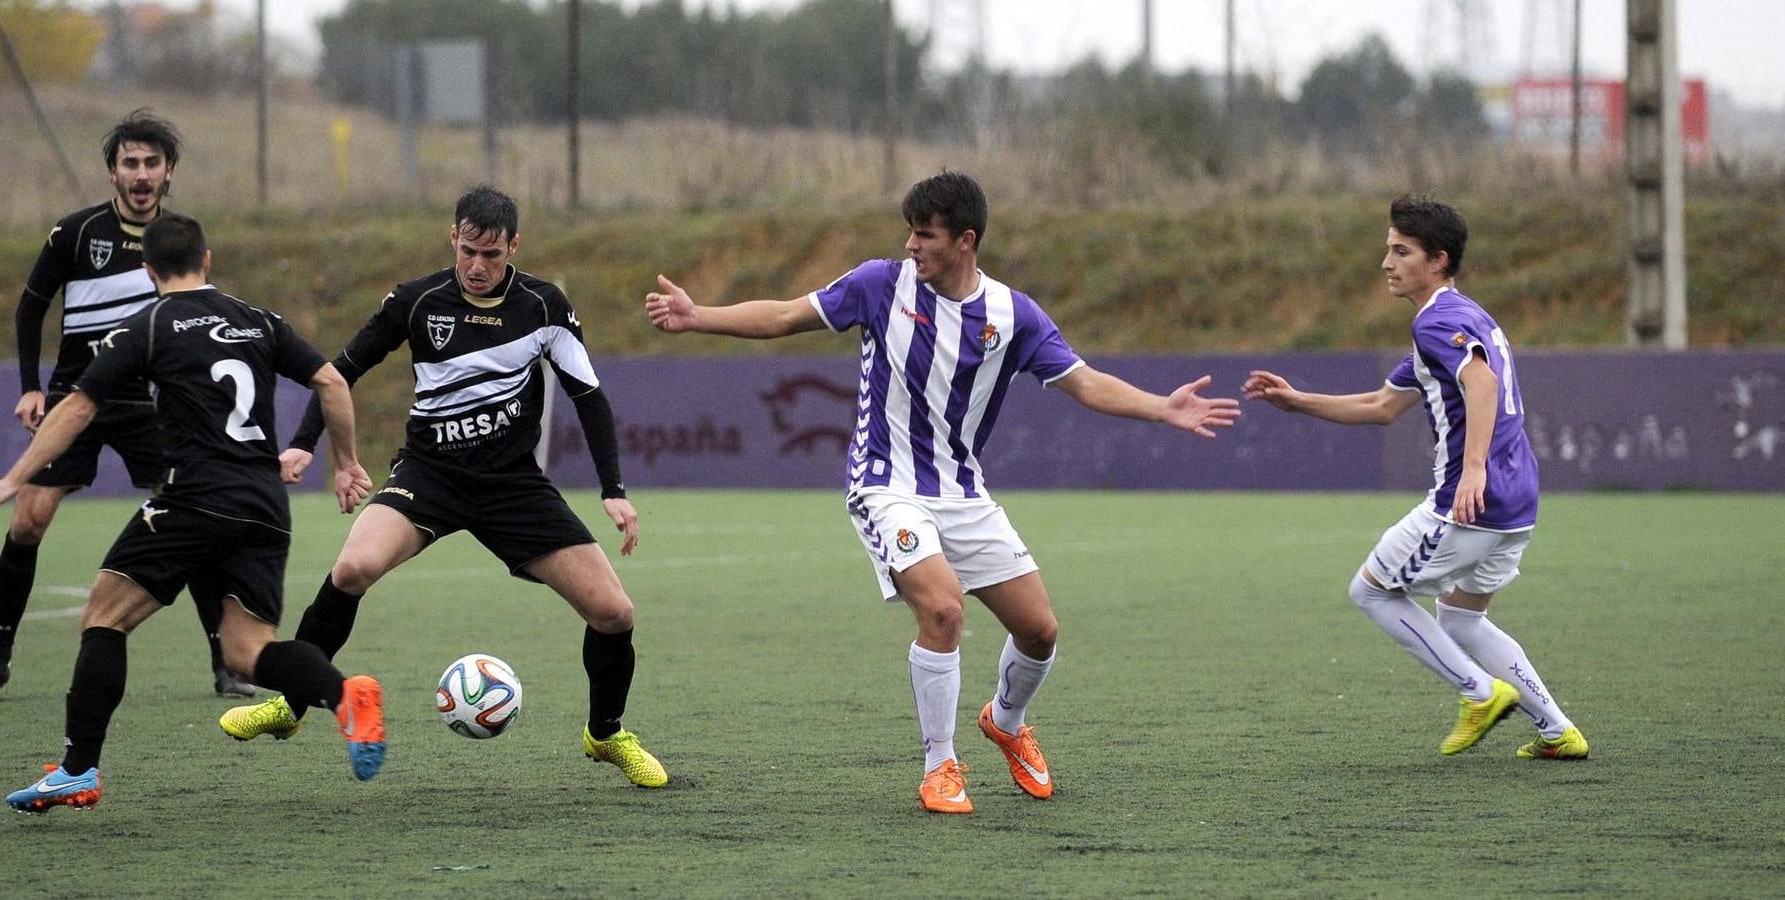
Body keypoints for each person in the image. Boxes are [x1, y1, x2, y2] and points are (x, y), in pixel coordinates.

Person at [644, 171, 1242, 813]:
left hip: (962, 491)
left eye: (924, 234)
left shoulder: (1014, 316)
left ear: (965, 240)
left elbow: (1085, 383)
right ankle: (941, 766)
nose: (910, 245)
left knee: (1040, 632)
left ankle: (1006, 724)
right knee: (943, 610)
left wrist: (1163, 408)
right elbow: (788, 315)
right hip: (885, 483)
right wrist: (698, 315)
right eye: (908, 232)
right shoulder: (880, 284)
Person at [216, 185, 668, 789]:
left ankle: (606, 735)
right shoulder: (416, 301)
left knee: (614, 613)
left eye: (493, 255)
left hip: (513, 487)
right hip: (429, 476)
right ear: (452, 238)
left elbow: (588, 395)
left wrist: (613, 487)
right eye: (469, 251)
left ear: (514, 247)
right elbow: (340, 373)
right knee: (352, 569)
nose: (478, 267)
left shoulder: (543, 305)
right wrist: (304, 441)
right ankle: (292, 705)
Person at [0, 212, 386, 813]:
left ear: (147, 270)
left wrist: (13, 479)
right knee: (248, 652)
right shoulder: (257, 318)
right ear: (207, 261)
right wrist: (344, 463)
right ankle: (343, 695)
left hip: (192, 496)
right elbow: (331, 382)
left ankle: (78, 770)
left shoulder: (147, 324)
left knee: (105, 616)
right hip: (264, 503)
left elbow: (78, 408)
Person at [1241, 195, 1587, 760]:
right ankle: (1557, 730)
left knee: (1371, 591)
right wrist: (1297, 400)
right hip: (1517, 499)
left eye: (1402, 251)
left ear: (1438, 260)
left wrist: (1472, 469)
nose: (1387, 261)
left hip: (1469, 499)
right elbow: (1381, 405)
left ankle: (1478, 693)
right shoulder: (1462, 317)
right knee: (1460, 619)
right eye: (1387, 249)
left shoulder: (1437, 322)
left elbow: (1481, 383)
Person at [0, 109, 255, 700]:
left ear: (169, 172)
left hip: (151, 407)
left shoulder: (179, 240)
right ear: (112, 172)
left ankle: (223, 665)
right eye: (130, 163)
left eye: (151, 163)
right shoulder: (74, 233)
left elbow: (199, 318)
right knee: (29, 521)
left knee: (189, 521)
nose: (140, 174)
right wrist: (30, 385)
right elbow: (30, 308)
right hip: (78, 399)